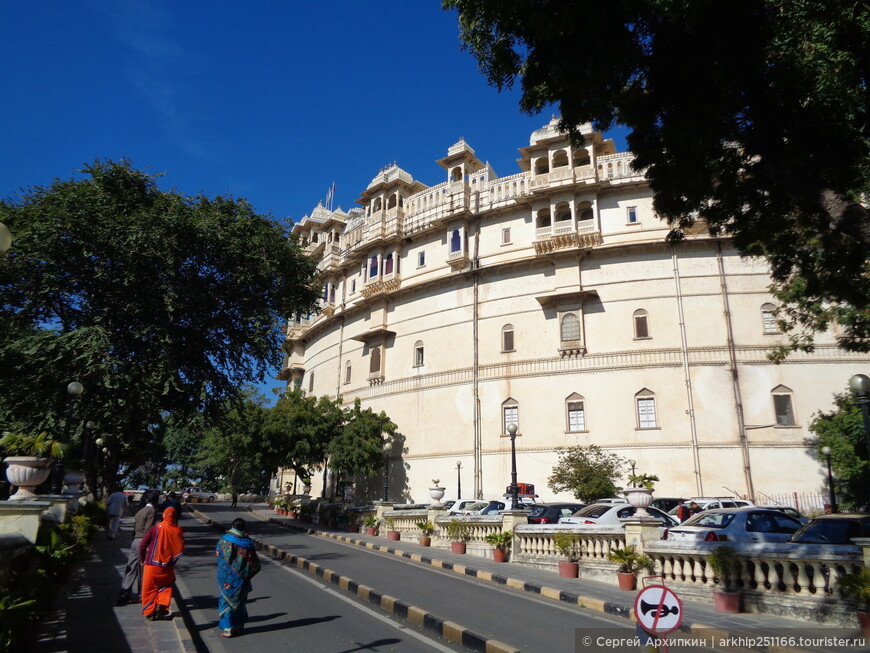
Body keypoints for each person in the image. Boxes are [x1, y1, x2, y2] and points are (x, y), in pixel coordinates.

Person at [215, 518, 261, 638]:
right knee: (239, 602)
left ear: (232, 526)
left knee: (227, 602)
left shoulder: (224, 541)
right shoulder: (248, 543)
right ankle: (238, 626)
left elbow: (220, 559)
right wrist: (245, 575)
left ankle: (228, 629)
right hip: (242, 579)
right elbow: (255, 564)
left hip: (227, 579)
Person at [139, 506, 184, 620]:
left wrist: (142, 559)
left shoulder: (155, 528)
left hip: (151, 565)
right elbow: (180, 549)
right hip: (167, 567)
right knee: (165, 587)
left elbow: (142, 545)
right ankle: (163, 609)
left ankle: (149, 612)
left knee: (149, 589)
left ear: (164, 515)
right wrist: (171, 562)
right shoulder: (178, 530)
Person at [117, 490, 159, 606]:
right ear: (155, 501)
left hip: (135, 540)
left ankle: (124, 593)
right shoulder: (151, 511)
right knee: (143, 571)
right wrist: (148, 546)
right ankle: (143, 596)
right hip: (143, 542)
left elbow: (135, 528)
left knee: (131, 568)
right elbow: (148, 530)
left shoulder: (140, 511)